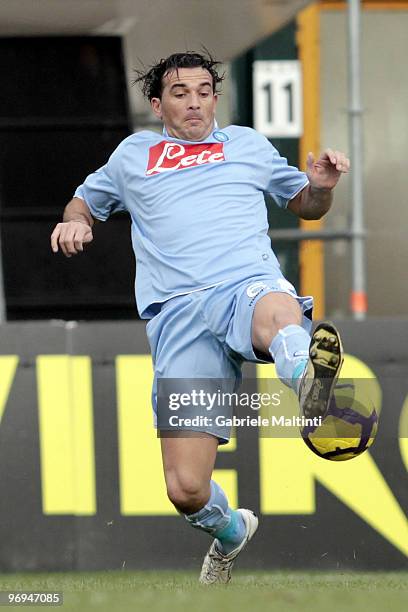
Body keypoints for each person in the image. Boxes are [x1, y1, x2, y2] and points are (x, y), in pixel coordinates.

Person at [50, 51, 349, 584]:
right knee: (185, 489)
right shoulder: (132, 155)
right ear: (157, 103)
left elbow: (305, 205)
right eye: (180, 92)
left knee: (277, 311)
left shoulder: (248, 145)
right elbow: (83, 200)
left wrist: (321, 186)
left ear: (216, 96)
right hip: (177, 315)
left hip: (243, 283)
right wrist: (75, 222)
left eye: (204, 90)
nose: (194, 102)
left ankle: (306, 378)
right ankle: (231, 531)